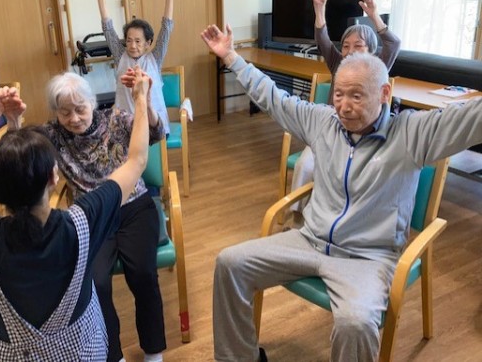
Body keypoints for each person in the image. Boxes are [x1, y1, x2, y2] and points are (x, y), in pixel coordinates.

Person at [200, 23, 482, 362]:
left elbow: (471, 118)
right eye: (338, 95)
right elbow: (273, 98)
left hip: (367, 258)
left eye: (356, 96)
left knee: (355, 324)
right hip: (309, 241)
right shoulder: (323, 122)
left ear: (384, 94)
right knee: (230, 264)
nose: (344, 107)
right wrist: (231, 56)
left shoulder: (412, 134)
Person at [0, 69, 153, 361]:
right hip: (82, 353)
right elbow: (137, 160)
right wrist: (141, 98)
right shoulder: (82, 223)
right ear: (53, 177)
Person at [20, 69, 166, 362]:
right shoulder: (52, 135)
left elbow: (156, 133)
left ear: (92, 102)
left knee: (143, 274)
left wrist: (146, 101)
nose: (74, 118)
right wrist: (14, 119)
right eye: (65, 112)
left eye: (80, 109)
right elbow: (22, 149)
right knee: (95, 284)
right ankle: (113, 355)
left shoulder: (116, 120)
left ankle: (153, 352)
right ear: (56, 113)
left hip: (134, 206)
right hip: (91, 215)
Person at [287, 0, 402, 225]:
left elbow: (393, 44)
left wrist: (374, 16)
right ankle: (296, 218)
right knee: (305, 165)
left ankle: (335, 218)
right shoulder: (339, 63)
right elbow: (322, 38)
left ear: (371, 51)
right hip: (330, 130)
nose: (350, 51)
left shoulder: (377, 67)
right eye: (346, 46)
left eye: (358, 46)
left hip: (362, 139)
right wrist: (319, 8)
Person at [91, 0, 177, 135]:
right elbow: (108, 28)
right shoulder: (120, 56)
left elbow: (166, 28)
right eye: (129, 40)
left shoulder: (154, 58)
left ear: (148, 43)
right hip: (127, 127)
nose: (132, 45)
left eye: (138, 41)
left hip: (155, 126)